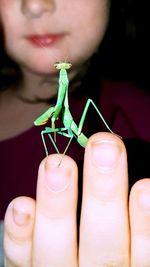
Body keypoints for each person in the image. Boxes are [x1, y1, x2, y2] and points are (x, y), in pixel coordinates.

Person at [1, 0, 150, 266]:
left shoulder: (139, 116)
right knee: (49, 131)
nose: (35, 5)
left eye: (62, 69)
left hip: (84, 135)